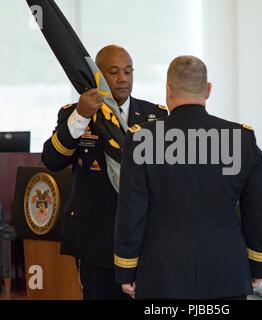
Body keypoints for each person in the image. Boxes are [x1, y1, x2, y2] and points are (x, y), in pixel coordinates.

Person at [114, 55, 262, 299]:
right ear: (208, 90)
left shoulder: (142, 139)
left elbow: (131, 210)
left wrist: (126, 269)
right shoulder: (240, 138)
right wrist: (257, 264)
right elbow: (259, 208)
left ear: (168, 89)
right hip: (226, 271)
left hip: (161, 272)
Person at [42, 45, 168, 300]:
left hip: (143, 239)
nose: (123, 78)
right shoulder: (76, 113)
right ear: (98, 76)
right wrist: (81, 116)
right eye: (114, 72)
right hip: (96, 239)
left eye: (128, 71)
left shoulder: (156, 117)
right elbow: (52, 160)